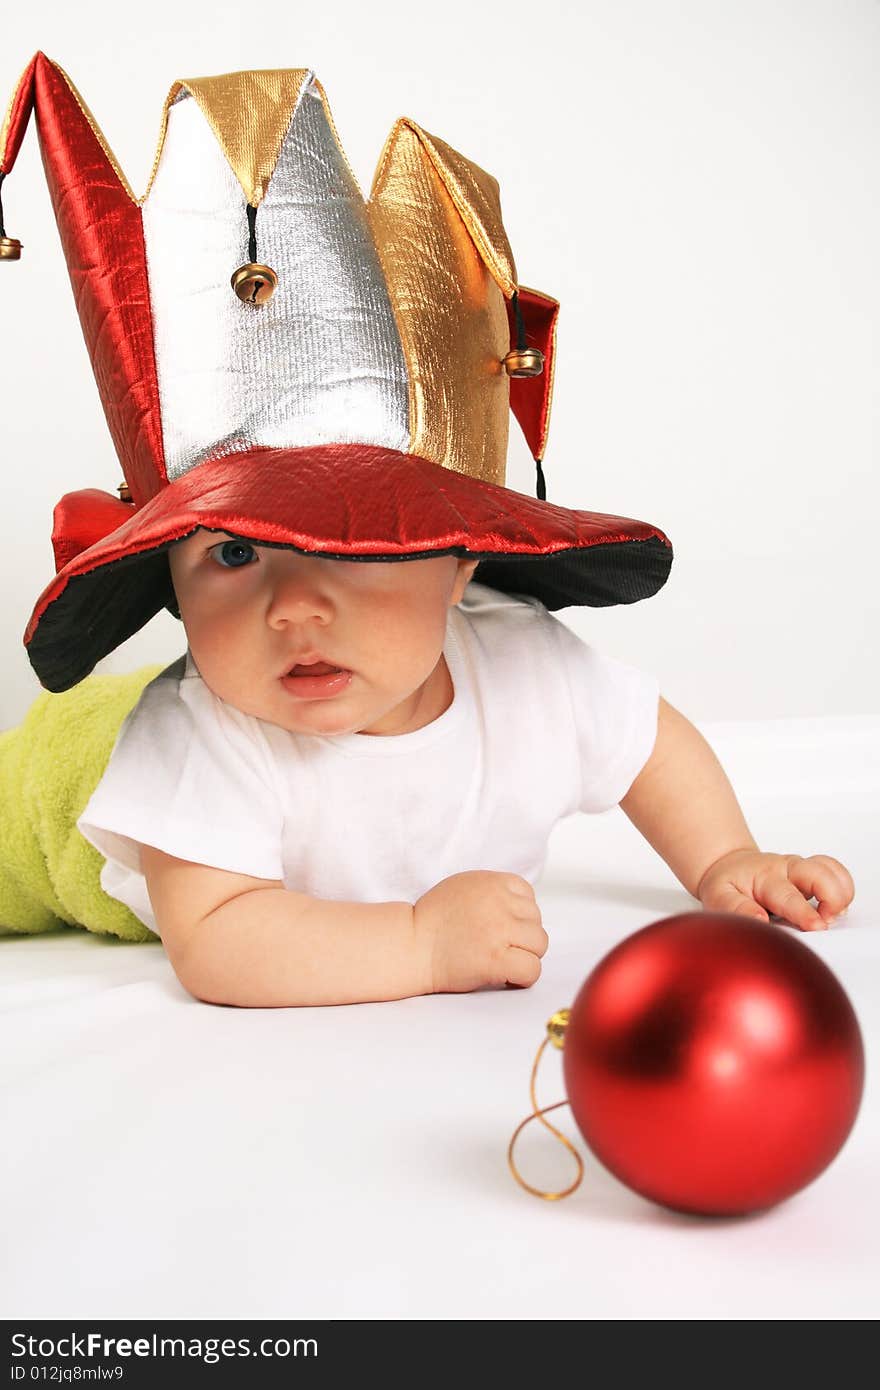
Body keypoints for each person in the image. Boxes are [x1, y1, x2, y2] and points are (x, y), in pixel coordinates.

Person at [0, 55, 854, 1006]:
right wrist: (418, 945)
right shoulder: (200, 734)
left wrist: (726, 857)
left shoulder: (528, 672)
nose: (293, 609)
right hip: (63, 783)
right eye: (233, 553)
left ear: (461, 564)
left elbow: (649, 743)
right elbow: (218, 940)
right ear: (171, 574)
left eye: (355, 547)